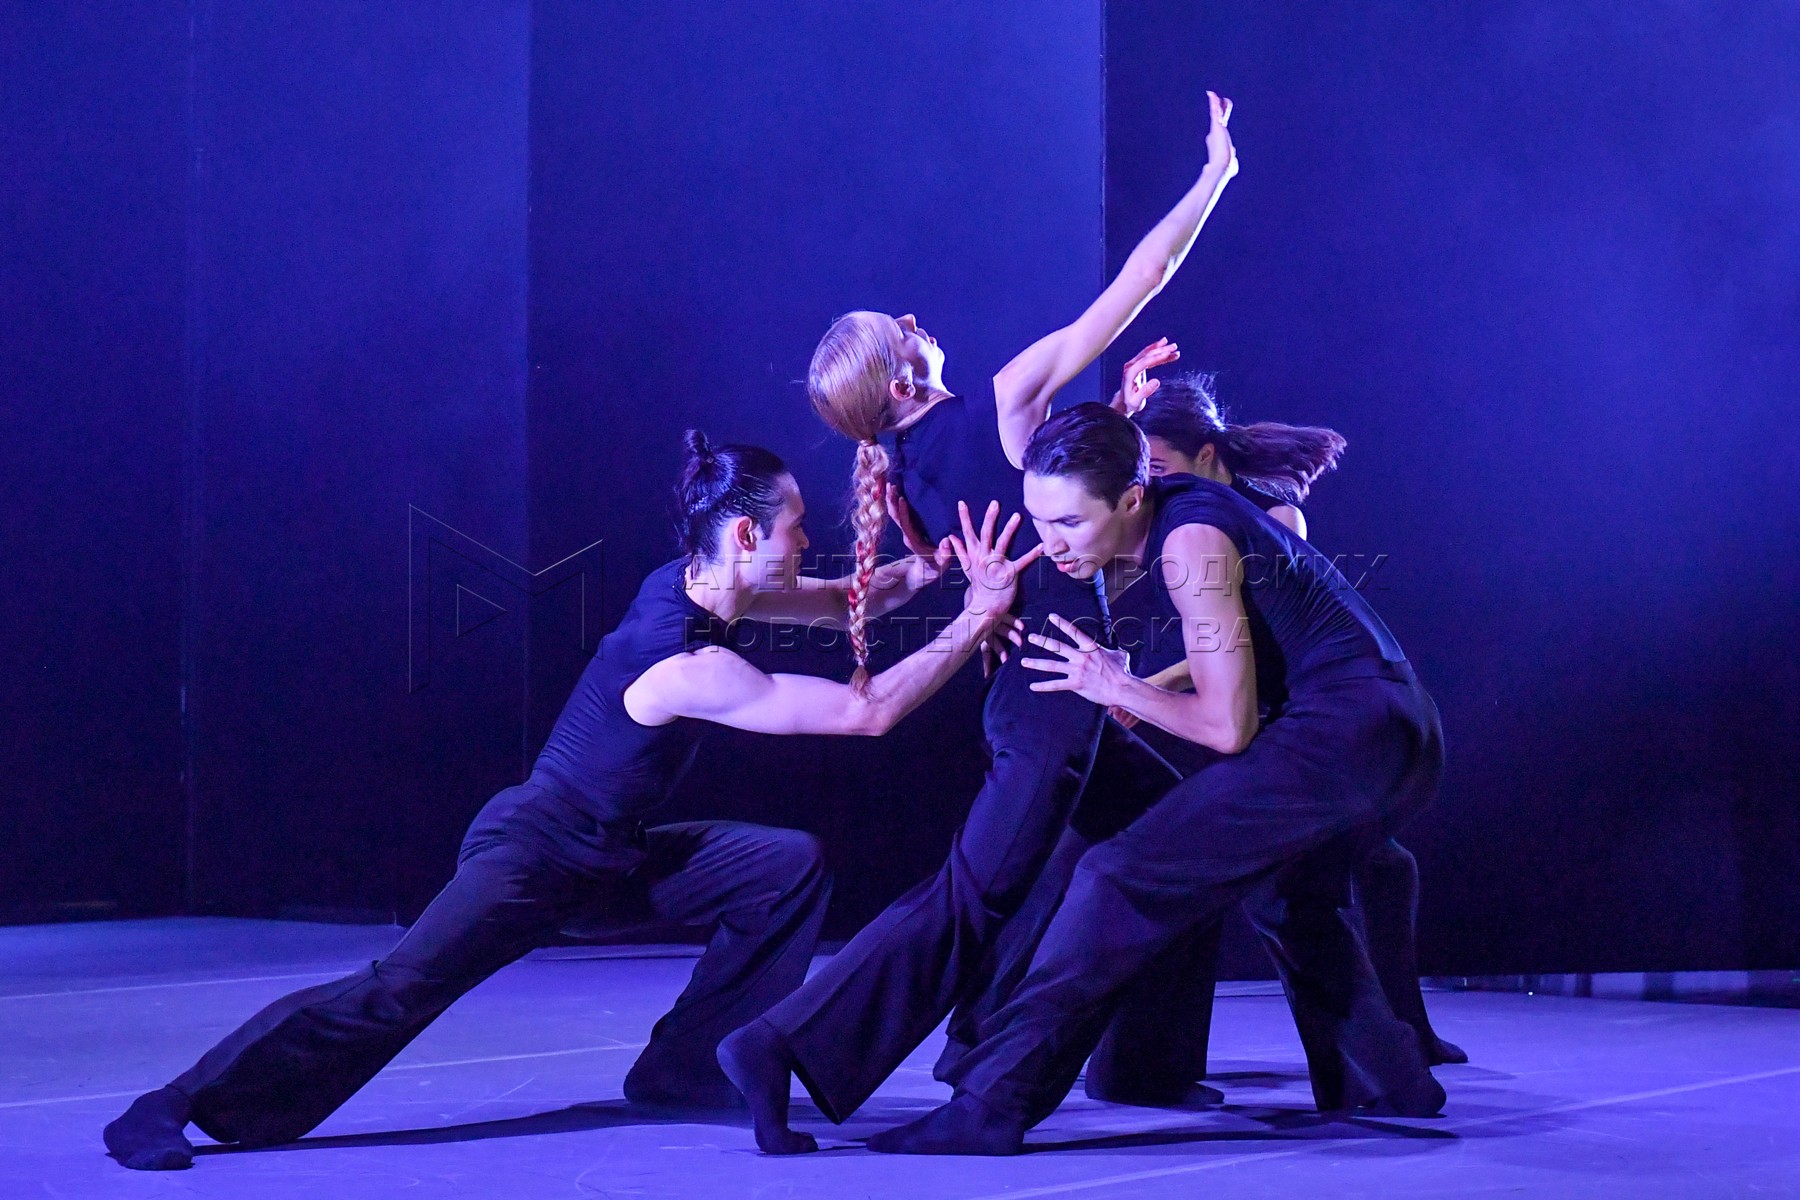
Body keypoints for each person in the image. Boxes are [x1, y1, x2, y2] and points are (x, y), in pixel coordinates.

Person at [103, 432, 1034, 1171]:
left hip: (613, 854)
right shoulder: (686, 663)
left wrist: (923, 576)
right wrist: (974, 619)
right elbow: (867, 714)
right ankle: (173, 1104)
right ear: (748, 537)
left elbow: (831, 603)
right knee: (395, 992)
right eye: (794, 525)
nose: (806, 541)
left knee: (782, 865)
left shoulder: (697, 583)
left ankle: (682, 1071)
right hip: (533, 856)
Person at [716, 92, 1242, 1155]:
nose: (919, 321)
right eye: (904, 327)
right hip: (1048, 700)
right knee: (973, 896)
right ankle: (779, 1046)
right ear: (903, 371)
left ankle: (1100, 1058)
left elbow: (948, 572)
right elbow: (1139, 283)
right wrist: (1213, 178)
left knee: (1172, 835)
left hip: (1052, 697)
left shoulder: (906, 475)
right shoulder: (1005, 402)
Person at [868, 403, 1447, 1155]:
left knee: (1117, 877)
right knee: (1285, 891)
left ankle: (990, 1105)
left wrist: (1118, 686)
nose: (1051, 542)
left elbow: (1228, 729)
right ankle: (1388, 1081)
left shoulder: (1189, 541)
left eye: (1069, 523)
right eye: (1038, 521)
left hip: (1347, 735)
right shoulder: (1175, 510)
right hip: (1399, 731)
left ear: (1132, 497)